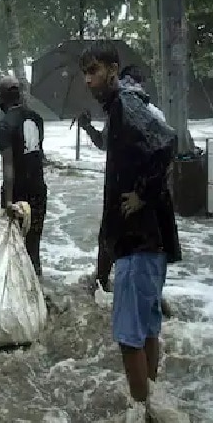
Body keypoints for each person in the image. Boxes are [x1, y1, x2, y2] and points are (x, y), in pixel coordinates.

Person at [80, 40, 181, 419]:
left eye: (94, 71)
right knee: (147, 329)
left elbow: (166, 144)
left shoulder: (125, 104)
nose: (89, 80)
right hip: (149, 240)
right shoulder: (125, 107)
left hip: (139, 241)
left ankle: (142, 411)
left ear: (113, 68)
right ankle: (152, 403)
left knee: (127, 337)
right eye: (85, 73)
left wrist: (142, 194)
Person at [78, 66, 174, 318]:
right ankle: (102, 285)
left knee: (135, 257)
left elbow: (166, 150)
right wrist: (88, 127)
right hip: (129, 197)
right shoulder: (123, 111)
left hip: (140, 201)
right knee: (125, 251)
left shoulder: (141, 111)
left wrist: (142, 194)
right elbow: (104, 143)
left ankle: (105, 286)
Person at [0, 75, 47, 278]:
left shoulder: (4, 125)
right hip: (38, 190)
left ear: (2, 98)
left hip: (17, 193)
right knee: (33, 248)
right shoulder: (37, 119)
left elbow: (9, 166)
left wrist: (8, 201)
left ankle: (18, 299)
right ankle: (38, 294)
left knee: (14, 249)